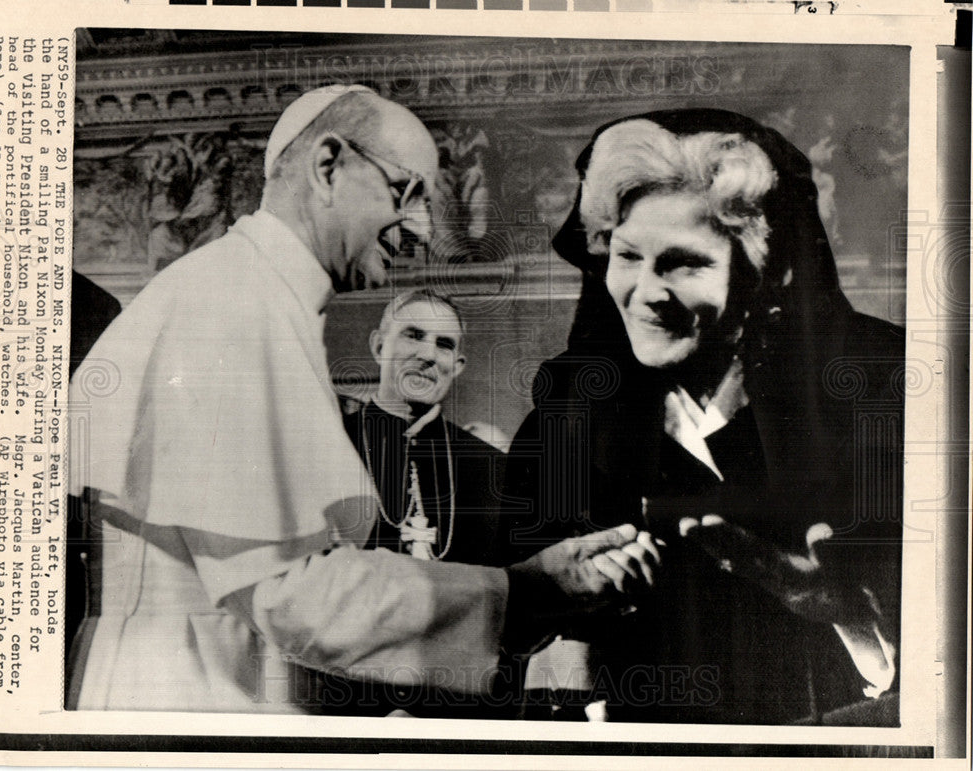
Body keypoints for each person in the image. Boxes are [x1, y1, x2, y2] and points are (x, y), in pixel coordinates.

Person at [66, 84, 658, 715]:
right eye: (407, 194)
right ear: (328, 165)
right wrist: (526, 593)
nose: (424, 230)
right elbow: (290, 598)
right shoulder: (231, 304)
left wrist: (526, 588)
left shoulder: (247, 293)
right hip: (192, 702)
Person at [503, 109, 903, 725]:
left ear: (769, 275)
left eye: (685, 263)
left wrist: (836, 604)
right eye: (628, 255)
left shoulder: (880, 393)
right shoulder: (567, 420)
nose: (645, 292)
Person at [343, 290, 506, 568]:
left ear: (456, 367)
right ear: (379, 347)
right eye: (414, 335)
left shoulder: (494, 468)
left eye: (444, 344)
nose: (428, 355)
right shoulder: (330, 445)